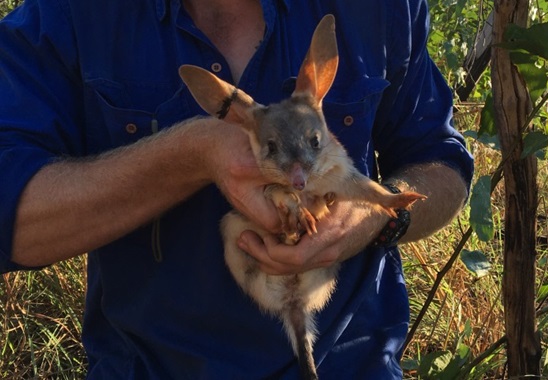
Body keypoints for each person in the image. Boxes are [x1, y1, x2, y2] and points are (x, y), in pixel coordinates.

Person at [0, 0, 473, 378]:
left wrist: (372, 218)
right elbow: (11, 217)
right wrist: (193, 153)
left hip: (351, 364)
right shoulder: (74, 16)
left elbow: (442, 162)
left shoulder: (375, 9)